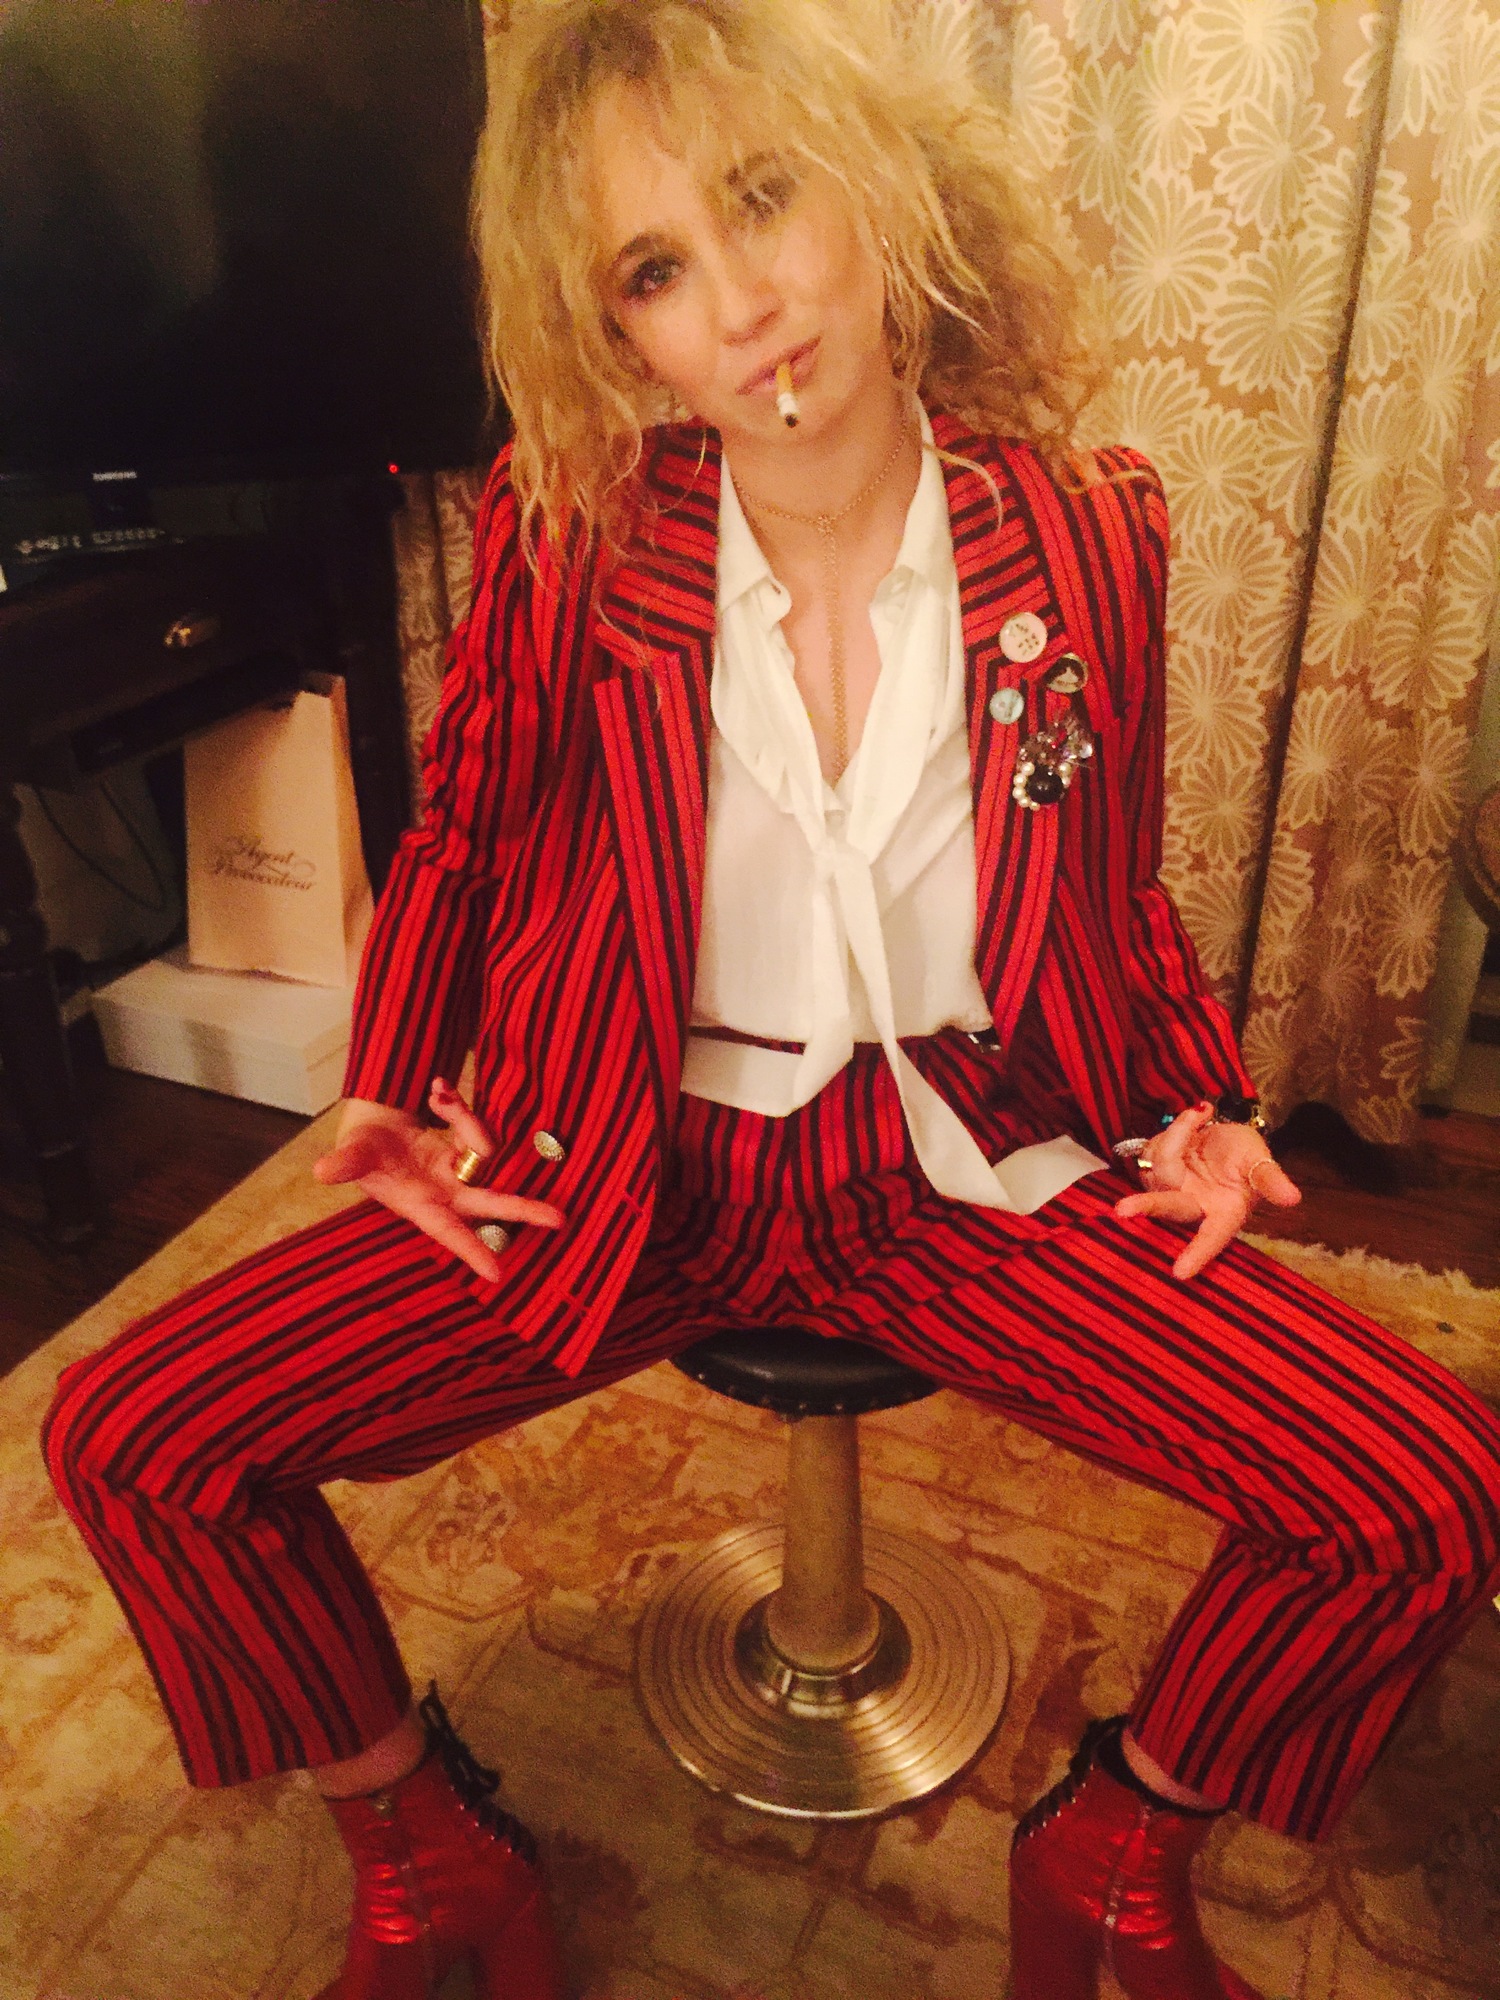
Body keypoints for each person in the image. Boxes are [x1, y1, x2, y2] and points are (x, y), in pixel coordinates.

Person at [42, 4, 1500, 1998]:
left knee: (1425, 1489)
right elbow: (464, 828)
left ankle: (1115, 1849)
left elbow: (1111, 876)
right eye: (653, 271)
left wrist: (1195, 1103)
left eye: (759, 199)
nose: (738, 305)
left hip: (962, 1159)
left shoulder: (1090, 528)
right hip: (631, 1160)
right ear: (616, 336)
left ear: (882, 189)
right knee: (138, 1435)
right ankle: (426, 1854)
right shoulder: (570, 534)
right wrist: (388, 1079)